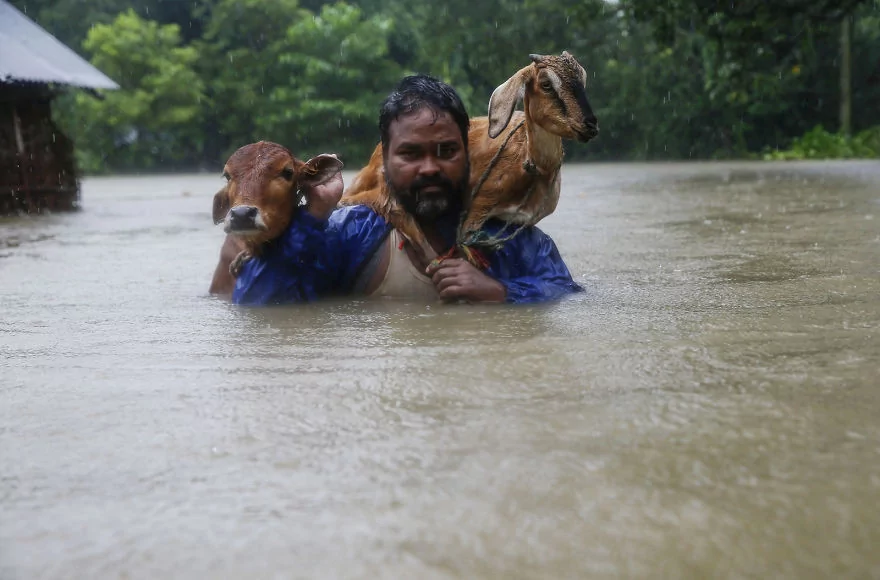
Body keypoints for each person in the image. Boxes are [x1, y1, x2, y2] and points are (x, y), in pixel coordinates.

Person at [232, 74, 583, 305]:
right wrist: (312, 217)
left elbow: (570, 297)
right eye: (410, 153)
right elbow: (259, 306)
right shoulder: (351, 233)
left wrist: (502, 292)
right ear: (386, 160)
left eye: (447, 151)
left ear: (467, 153)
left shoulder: (512, 239)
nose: (430, 167)